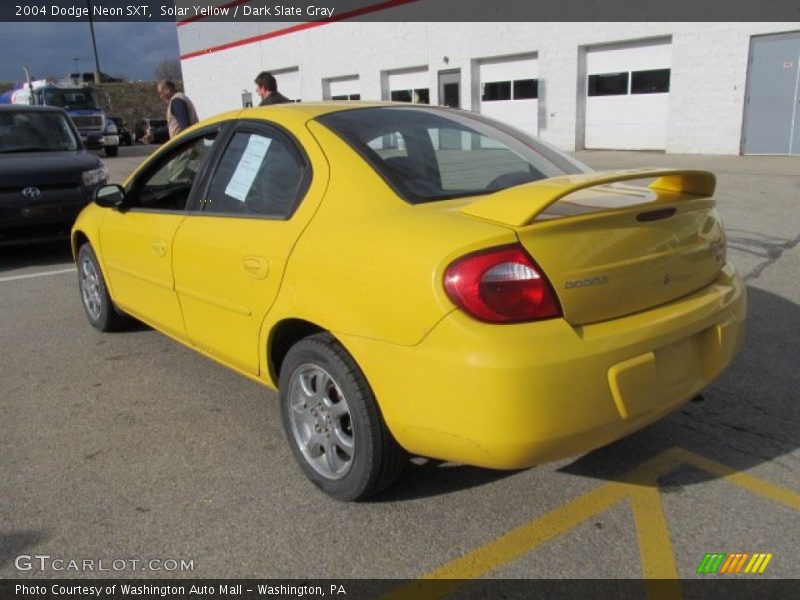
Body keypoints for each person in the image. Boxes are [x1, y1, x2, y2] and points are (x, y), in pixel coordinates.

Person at [144, 80, 198, 144]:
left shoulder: (177, 101)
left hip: (186, 146)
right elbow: (173, 126)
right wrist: (154, 135)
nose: (161, 96)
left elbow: (185, 127)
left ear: (168, 89)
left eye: (161, 93)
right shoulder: (179, 98)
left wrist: (187, 146)